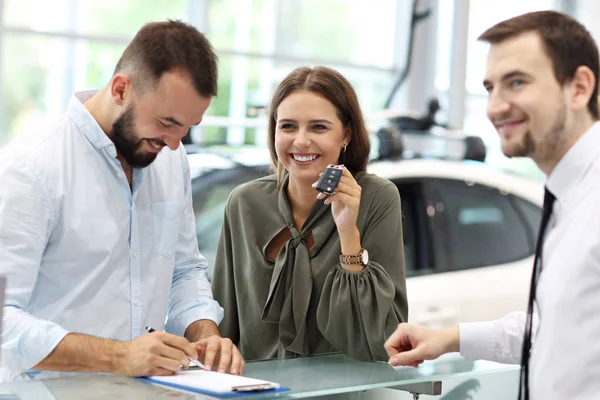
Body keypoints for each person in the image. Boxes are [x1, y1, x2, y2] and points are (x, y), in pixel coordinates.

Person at [0, 20, 244, 381]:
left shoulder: (171, 159)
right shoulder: (30, 167)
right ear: (120, 89)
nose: (175, 143)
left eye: (187, 127)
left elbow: (184, 271)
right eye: (166, 122)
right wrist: (117, 356)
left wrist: (205, 334)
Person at [384, 10, 600, 400]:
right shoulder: (567, 195)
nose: (495, 107)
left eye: (516, 82)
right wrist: (449, 338)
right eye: (489, 88)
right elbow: (555, 328)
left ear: (579, 87)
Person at [212, 66, 408, 362]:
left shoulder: (377, 199)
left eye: (318, 127)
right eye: (288, 126)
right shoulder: (245, 203)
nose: (301, 141)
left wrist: (348, 233)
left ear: (346, 135)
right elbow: (224, 326)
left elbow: (382, 338)